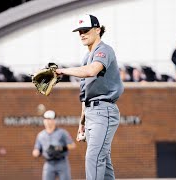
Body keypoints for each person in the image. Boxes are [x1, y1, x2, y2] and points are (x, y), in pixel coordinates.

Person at [56, 14, 124, 180]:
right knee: (103, 161)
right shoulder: (86, 56)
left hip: (104, 110)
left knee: (93, 158)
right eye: (79, 31)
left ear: (98, 30)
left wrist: (62, 70)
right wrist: (82, 121)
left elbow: (92, 70)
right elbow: (86, 91)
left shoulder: (104, 50)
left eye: (85, 30)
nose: (82, 34)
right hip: (92, 112)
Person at [32, 110, 76, 180]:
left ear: (54, 120)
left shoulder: (62, 133)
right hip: (49, 163)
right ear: (44, 121)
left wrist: (59, 148)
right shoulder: (40, 135)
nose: (48, 121)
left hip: (62, 162)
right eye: (46, 119)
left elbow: (72, 145)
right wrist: (36, 152)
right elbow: (36, 149)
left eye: (50, 119)